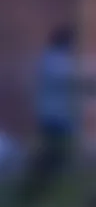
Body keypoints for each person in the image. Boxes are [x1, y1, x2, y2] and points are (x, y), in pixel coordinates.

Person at [36, 25, 79, 178]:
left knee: (58, 151)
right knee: (56, 151)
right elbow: (73, 77)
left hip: (57, 114)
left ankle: (49, 175)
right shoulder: (55, 60)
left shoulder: (53, 58)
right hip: (55, 115)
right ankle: (44, 176)